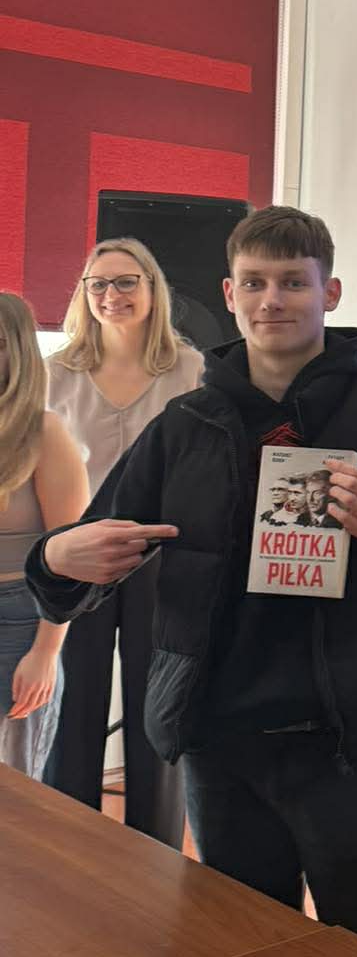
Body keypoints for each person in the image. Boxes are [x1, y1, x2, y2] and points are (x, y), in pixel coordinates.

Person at [28, 207, 357, 957]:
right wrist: (54, 560)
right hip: (220, 740)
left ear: (330, 293)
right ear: (230, 294)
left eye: (293, 282)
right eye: (256, 283)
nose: (273, 300)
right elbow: (90, 554)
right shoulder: (185, 425)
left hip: (350, 742)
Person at [44, 237, 202, 844]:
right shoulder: (55, 374)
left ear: (153, 289)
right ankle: (71, 849)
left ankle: (153, 856)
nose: (112, 295)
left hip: (162, 561)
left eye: (127, 281)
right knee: (72, 710)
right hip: (75, 560)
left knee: (157, 707)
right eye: (99, 284)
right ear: (84, 294)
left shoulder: (191, 370)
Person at [0, 295, 90, 778]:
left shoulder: (43, 431)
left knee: (13, 794)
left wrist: (46, 653)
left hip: (17, 622)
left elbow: (71, 560)